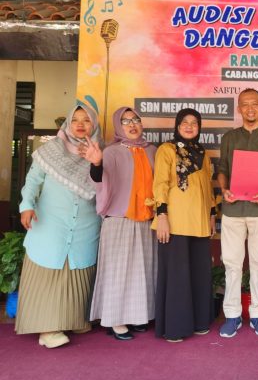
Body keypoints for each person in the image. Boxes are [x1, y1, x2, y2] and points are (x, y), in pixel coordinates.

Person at [16, 101, 103, 348]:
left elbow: (106, 188)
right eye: (75, 120)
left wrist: (98, 163)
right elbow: (33, 181)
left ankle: (73, 320)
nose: (80, 125)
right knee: (49, 269)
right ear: (68, 123)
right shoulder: (51, 149)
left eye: (86, 120)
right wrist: (27, 205)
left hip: (85, 224)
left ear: (94, 125)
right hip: (50, 222)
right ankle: (48, 329)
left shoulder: (100, 152)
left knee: (77, 271)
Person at [84, 107, 157, 340]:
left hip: (146, 220)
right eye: (126, 121)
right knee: (118, 272)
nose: (132, 124)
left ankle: (137, 316)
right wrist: (96, 164)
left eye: (136, 120)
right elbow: (98, 181)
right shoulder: (112, 151)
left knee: (142, 272)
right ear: (118, 125)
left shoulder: (152, 150)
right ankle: (116, 321)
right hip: (119, 220)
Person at [217, 88, 258, 338]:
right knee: (232, 264)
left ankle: (257, 314)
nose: (250, 108)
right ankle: (232, 315)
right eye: (245, 104)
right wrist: (224, 189)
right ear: (239, 109)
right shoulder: (229, 138)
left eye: (254, 103)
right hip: (233, 209)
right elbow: (222, 169)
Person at [151, 108, 216, 342]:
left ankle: (199, 322)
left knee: (199, 274)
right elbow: (160, 183)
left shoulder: (203, 153)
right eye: (185, 122)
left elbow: (208, 187)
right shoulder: (167, 150)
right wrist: (162, 216)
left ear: (199, 127)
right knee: (177, 276)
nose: (189, 126)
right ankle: (175, 327)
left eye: (194, 123)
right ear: (177, 126)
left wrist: (212, 215)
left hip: (199, 222)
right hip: (175, 222)